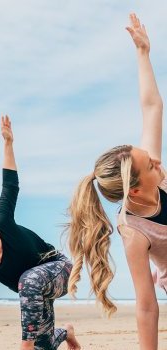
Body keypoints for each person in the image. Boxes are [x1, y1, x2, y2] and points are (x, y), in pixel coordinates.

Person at [67, 13, 164, 350]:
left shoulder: (152, 175)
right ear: (134, 189)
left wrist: (143, 54)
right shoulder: (134, 231)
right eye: (150, 164)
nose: (157, 159)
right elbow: (147, 306)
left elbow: (152, 106)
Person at [0, 116, 81, 350]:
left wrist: (8, 144)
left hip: (61, 270)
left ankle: (25, 345)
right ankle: (65, 332)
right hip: (37, 294)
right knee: (43, 346)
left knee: (28, 280)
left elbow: (9, 185)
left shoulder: (2, 221)